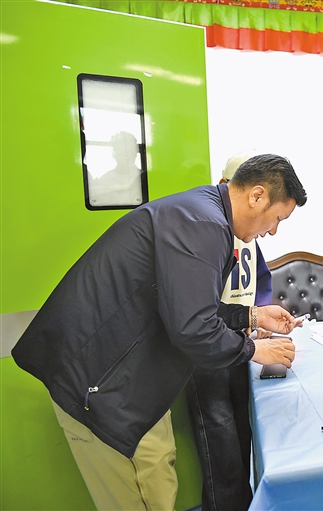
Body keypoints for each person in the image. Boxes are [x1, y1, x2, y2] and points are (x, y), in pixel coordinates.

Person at [12, 154, 307, 510]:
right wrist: (254, 350)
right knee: (140, 498)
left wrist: (252, 315)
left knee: (159, 480)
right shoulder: (204, 223)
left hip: (127, 377)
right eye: (278, 219)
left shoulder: (202, 211)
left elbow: (185, 305)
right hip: (99, 385)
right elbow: (193, 329)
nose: (273, 231)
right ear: (257, 196)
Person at [184, 150, 276, 511]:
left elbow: (260, 281)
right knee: (219, 441)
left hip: (240, 342)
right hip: (209, 349)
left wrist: (258, 319)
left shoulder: (250, 234)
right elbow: (197, 309)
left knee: (242, 432)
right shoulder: (210, 230)